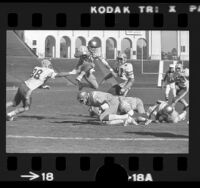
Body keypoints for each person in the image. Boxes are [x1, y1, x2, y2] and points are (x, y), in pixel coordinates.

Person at [6, 59, 72, 121]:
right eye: (49, 65)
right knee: (26, 107)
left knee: (14, 103)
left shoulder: (37, 68)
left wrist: (42, 87)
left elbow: (35, 81)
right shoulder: (48, 71)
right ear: (46, 65)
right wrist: (71, 73)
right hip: (27, 89)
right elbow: (58, 75)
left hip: (22, 85)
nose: (50, 67)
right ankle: (9, 115)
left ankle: (8, 115)